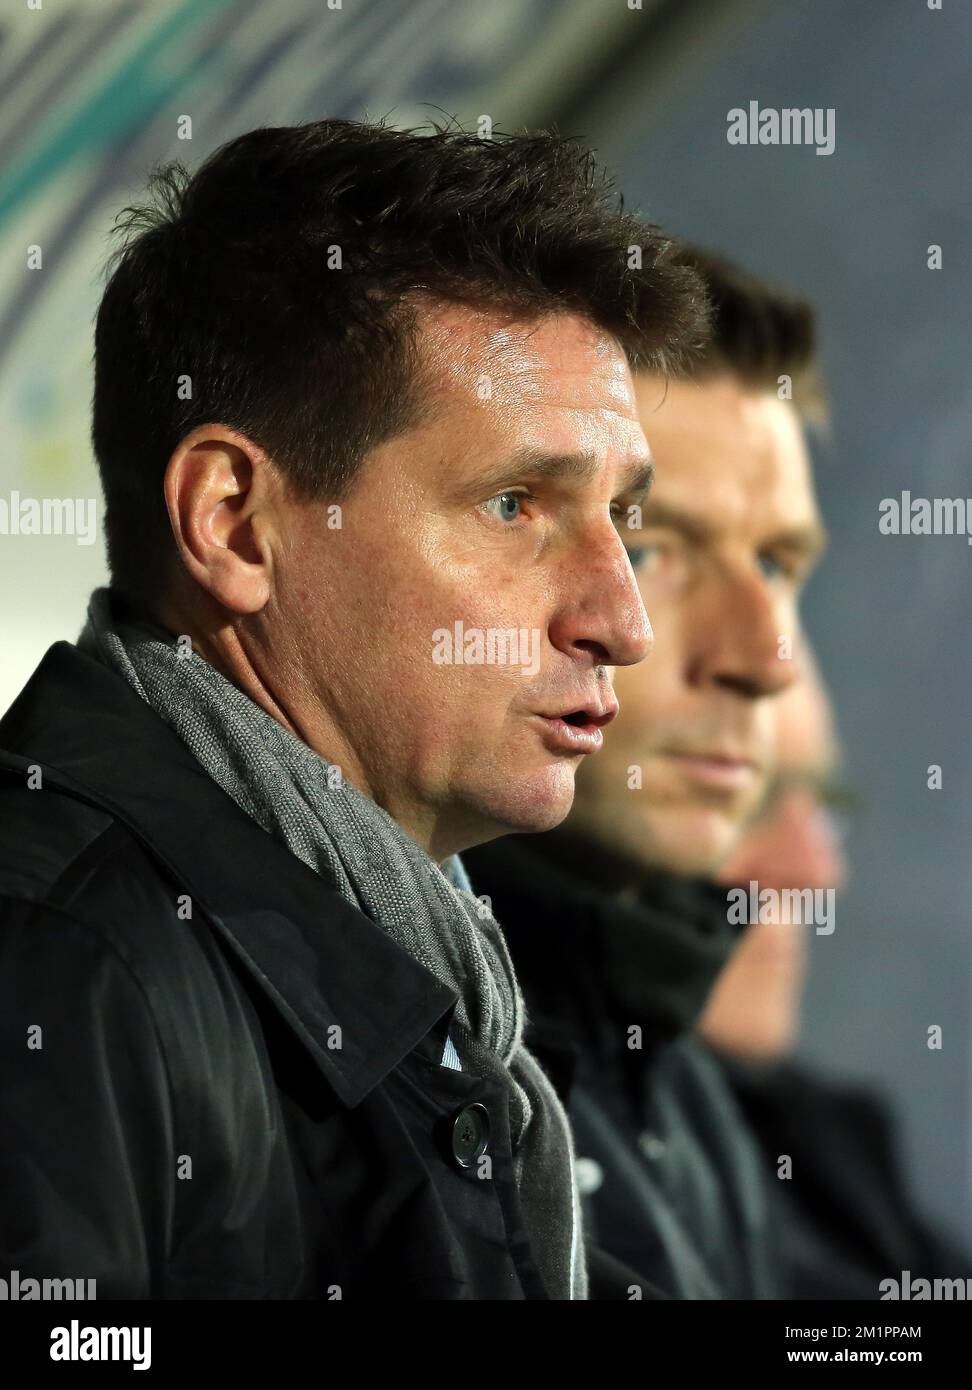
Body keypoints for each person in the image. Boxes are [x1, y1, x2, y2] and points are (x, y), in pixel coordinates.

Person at [0, 118, 709, 1300]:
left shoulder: (430, 974)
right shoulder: (59, 964)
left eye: (622, 519)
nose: (621, 622)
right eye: (515, 505)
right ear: (234, 523)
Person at [465, 244, 828, 1297]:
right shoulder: (391, 1059)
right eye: (656, 546)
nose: (765, 658)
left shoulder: (681, 1069)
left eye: (776, 564)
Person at [701, 658, 972, 1298]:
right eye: (747, 793)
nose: (817, 871)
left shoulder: (831, 1147)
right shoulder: (540, 1165)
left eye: (823, 806)